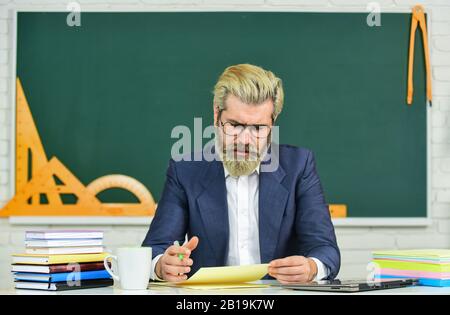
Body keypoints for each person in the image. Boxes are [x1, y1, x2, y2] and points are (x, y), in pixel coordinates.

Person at [142, 63, 340, 284]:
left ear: (272, 124)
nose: (245, 140)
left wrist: (311, 267)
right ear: (217, 115)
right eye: (235, 125)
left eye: (258, 128)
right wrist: (161, 266)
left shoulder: (299, 166)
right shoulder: (185, 170)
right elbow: (155, 249)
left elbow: (325, 250)